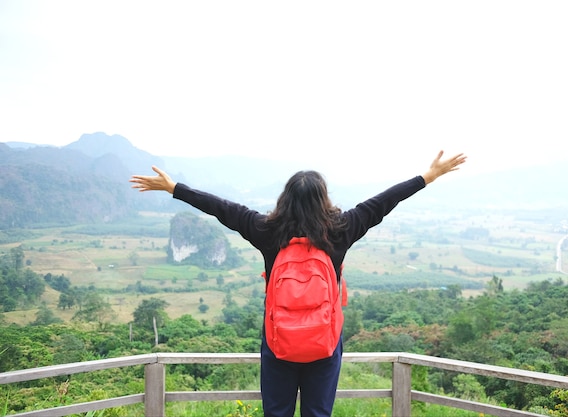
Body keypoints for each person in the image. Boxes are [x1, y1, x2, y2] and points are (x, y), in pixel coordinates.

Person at [129, 150, 466, 417]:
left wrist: (174, 188)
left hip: (278, 343)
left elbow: (222, 208)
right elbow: (382, 203)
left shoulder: (266, 230)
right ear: (323, 199)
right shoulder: (341, 229)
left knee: (277, 413)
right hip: (324, 342)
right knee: (318, 413)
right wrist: (429, 176)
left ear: (285, 199)